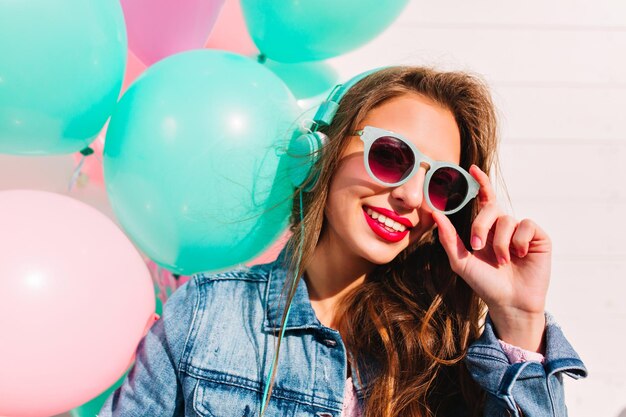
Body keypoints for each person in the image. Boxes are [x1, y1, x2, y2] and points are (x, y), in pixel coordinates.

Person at [99, 66, 587, 417]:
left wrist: (520, 320)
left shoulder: (449, 357)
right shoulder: (206, 316)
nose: (411, 197)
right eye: (391, 155)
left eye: (442, 183)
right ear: (323, 151)